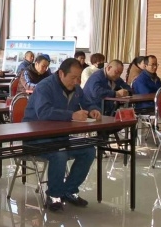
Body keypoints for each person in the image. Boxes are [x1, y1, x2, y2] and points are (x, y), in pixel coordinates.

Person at [23, 58, 102, 211]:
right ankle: (54, 196)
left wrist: (93, 109)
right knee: (59, 154)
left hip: (60, 137)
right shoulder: (44, 87)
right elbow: (44, 112)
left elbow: (87, 102)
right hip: (36, 138)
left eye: (78, 77)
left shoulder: (76, 89)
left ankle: (70, 190)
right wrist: (72, 115)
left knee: (89, 150)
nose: (77, 81)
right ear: (61, 74)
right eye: (73, 77)